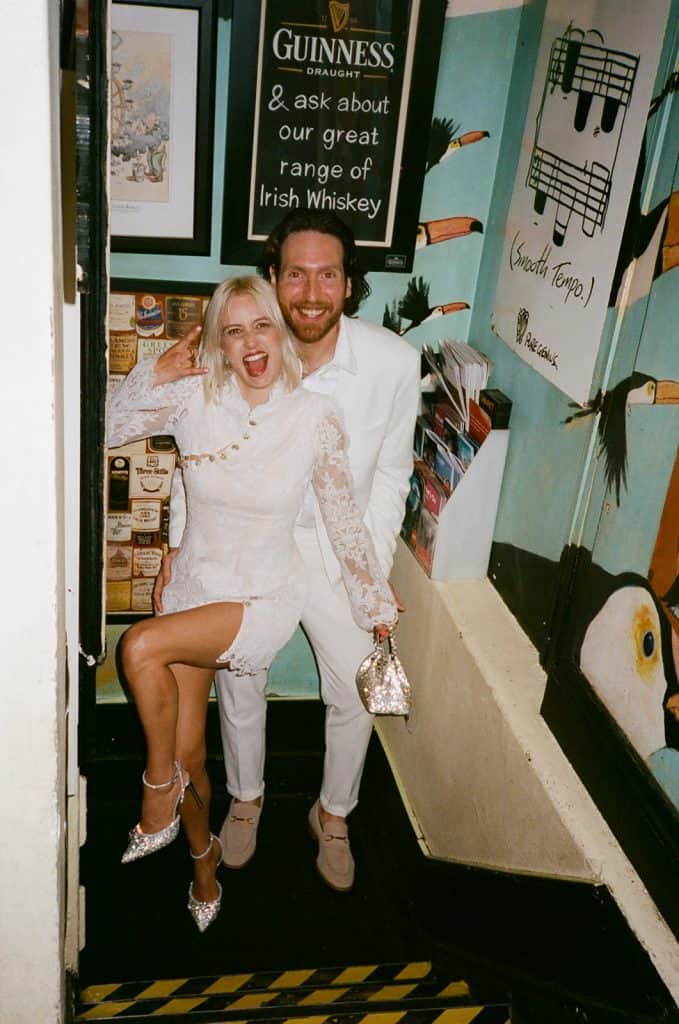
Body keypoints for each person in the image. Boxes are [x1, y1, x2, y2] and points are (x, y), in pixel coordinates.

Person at [107, 275, 398, 931]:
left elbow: (340, 515)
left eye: (259, 325)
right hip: (193, 589)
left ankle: (155, 799)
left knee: (140, 645)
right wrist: (156, 369)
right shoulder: (191, 397)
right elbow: (104, 430)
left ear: (282, 331)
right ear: (219, 343)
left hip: (263, 595)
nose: (249, 342)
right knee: (189, 756)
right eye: (232, 331)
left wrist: (371, 596)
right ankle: (204, 862)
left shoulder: (314, 415)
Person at [156, 209, 421, 891]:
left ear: (348, 283)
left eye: (326, 275)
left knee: (353, 687)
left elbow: (392, 471)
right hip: (247, 546)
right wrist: (179, 551)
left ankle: (333, 813)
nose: (309, 291)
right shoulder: (242, 347)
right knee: (239, 682)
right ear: (273, 279)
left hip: (339, 545)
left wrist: (371, 567)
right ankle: (245, 799)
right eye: (295, 274)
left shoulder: (393, 362)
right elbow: (200, 458)